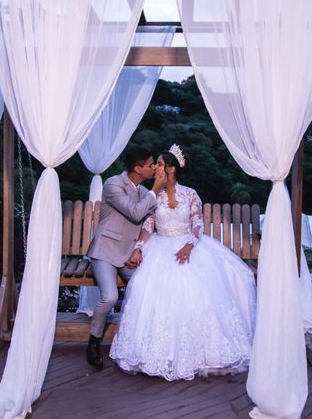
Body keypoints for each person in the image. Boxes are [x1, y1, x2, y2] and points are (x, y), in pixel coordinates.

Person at [110, 144, 256, 381]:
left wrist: (189, 245)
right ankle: (154, 354)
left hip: (187, 244)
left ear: (171, 169)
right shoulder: (152, 194)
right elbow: (148, 225)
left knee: (195, 287)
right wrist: (138, 248)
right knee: (144, 288)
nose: (154, 167)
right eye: (154, 163)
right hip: (160, 246)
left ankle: (202, 353)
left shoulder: (190, 194)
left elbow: (198, 225)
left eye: (158, 163)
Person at [85, 145, 167, 368]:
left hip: (128, 254)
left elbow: (149, 220)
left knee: (144, 289)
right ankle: (94, 340)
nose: (153, 168)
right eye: (150, 164)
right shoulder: (113, 184)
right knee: (110, 296)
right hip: (105, 250)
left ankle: (141, 340)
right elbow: (135, 212)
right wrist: (155, 189)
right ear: (138, 168)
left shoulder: (142, 191)